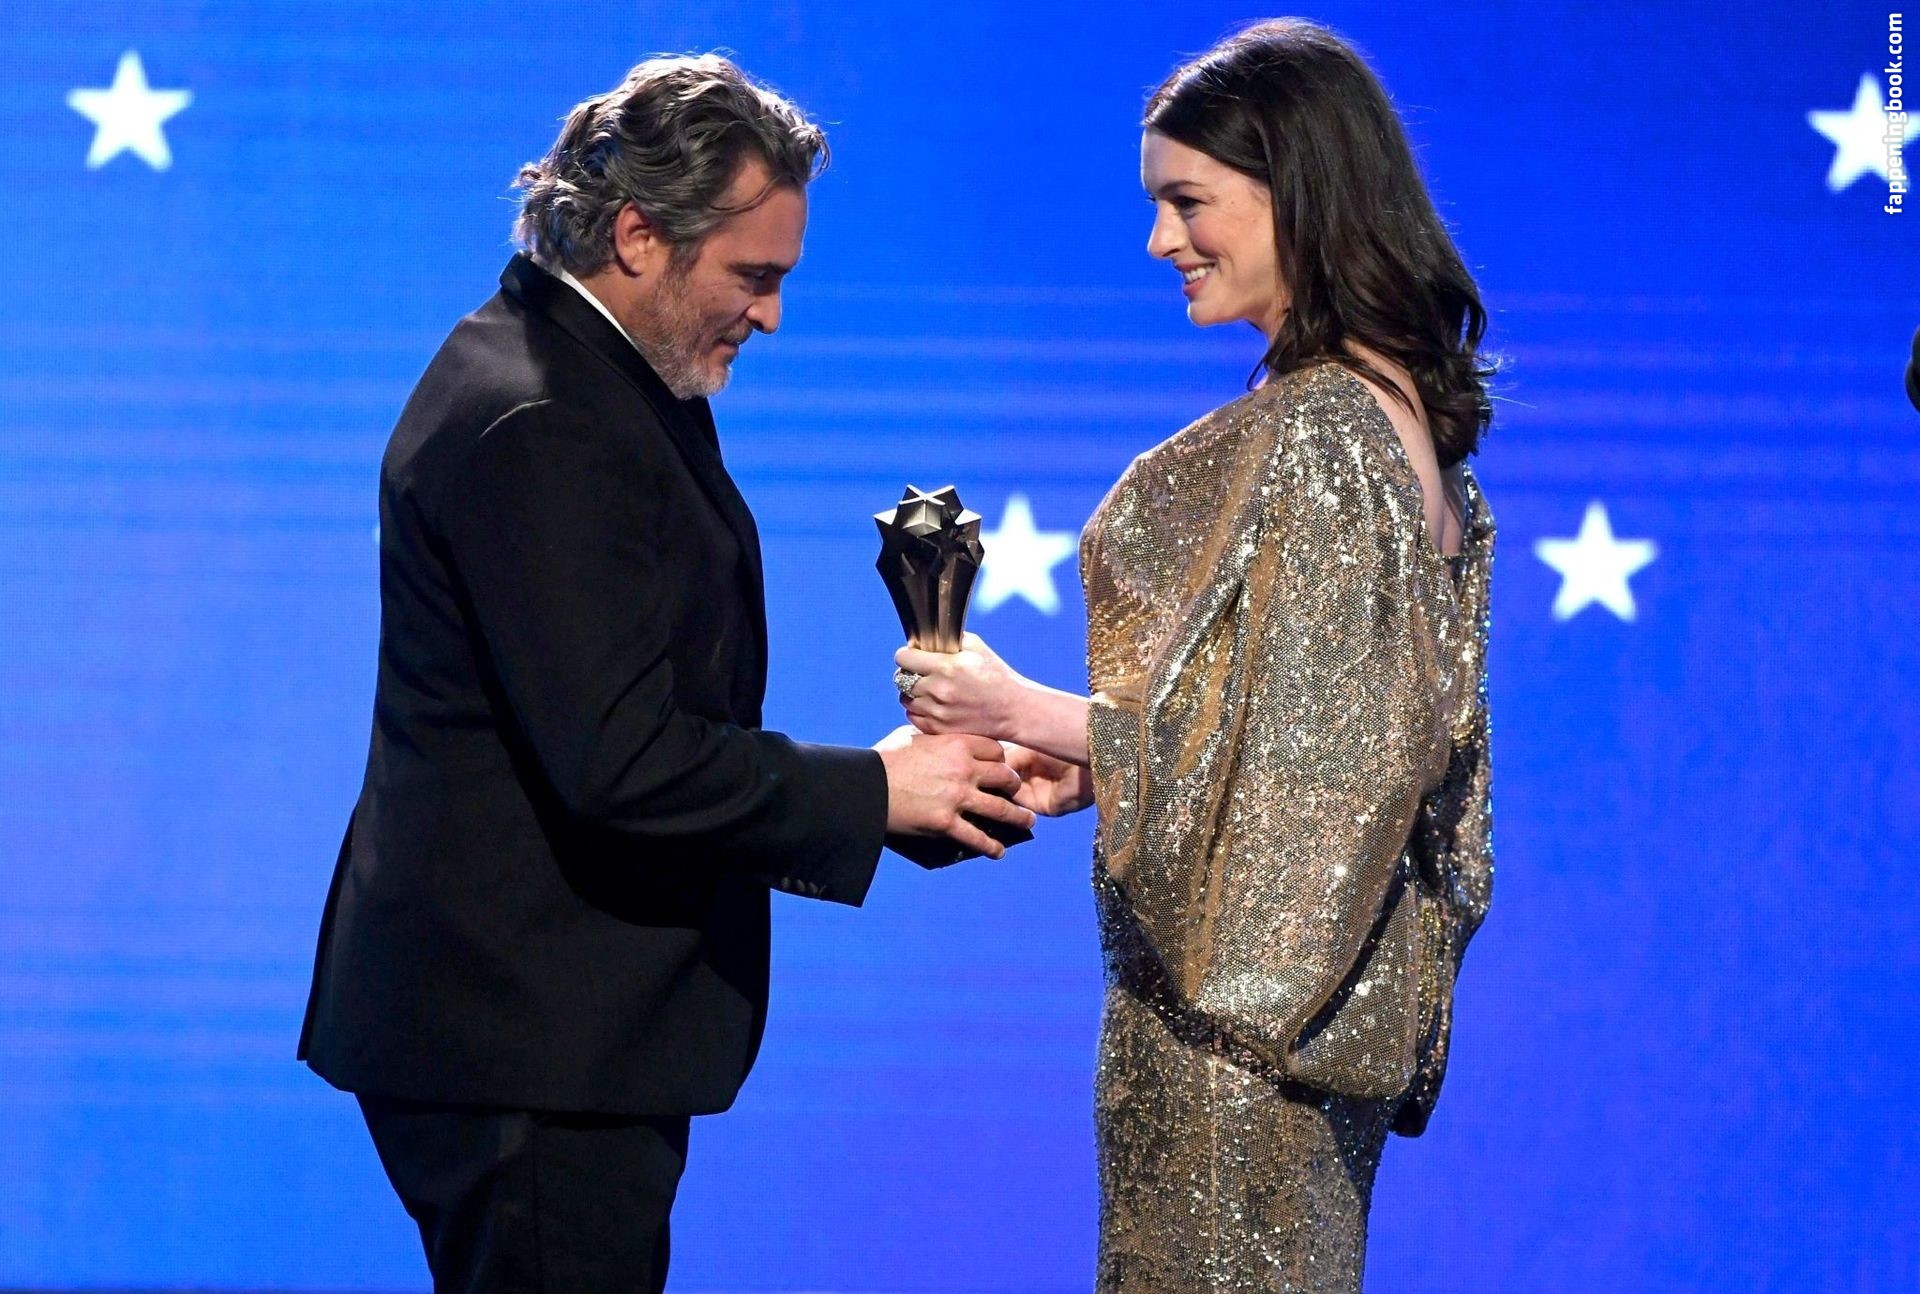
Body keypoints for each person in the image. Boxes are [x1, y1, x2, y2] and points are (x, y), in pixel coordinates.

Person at [297, 54, 1033, 1293]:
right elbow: (621, 759)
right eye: (754, 276)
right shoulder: (543, 418)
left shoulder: (586, 373)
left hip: (545, 1034)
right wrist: (872, 793)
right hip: (525, 1044)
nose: (771, 315)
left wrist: (892, 797)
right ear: (639, 235)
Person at [891, 19, 1496, 1292]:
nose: (1161, 240)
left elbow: (1306, 788)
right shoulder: (1394, 423)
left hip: (1233, 1058)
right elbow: (1305, 735)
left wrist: (1025, 707)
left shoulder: (1329, 432)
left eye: (1188, 201)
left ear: (1299, 192)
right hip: (1282, 1059)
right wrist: (1107, 763)